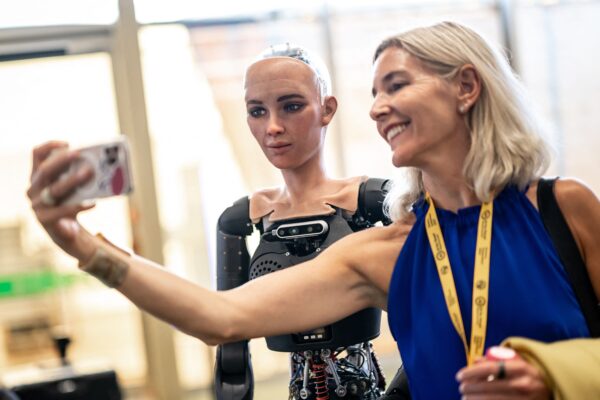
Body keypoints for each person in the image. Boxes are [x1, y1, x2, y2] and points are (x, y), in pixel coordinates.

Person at [27, 21, 600, 400]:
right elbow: (219, 318)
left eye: (396, 86)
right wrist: (83, 245)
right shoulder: (386, 252)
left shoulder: (563, 210)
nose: (377, 108)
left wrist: (555, 377)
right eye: (373, 92)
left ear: (467, 87)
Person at [213, 44, 392, 400]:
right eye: (257, 111)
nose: (274, 127)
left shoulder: (375, 202)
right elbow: (230, 348)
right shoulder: (241, 219)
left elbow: (433, 314)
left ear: (327, 109)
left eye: (291, 106)